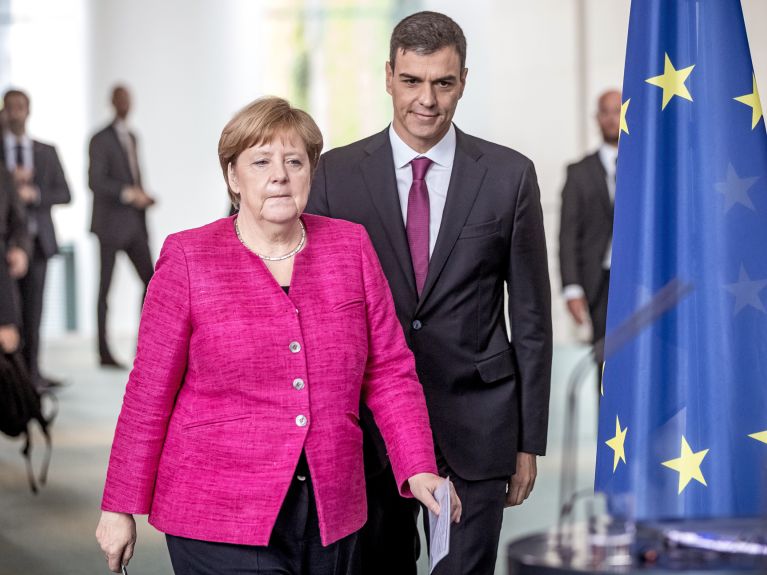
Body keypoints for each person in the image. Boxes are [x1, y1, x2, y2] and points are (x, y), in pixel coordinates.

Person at [95, 97, 460, 575]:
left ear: (311, 172)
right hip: (217, 511)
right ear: (232, 177)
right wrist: (119, 504)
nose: (279, 175)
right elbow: (148, 392)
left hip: (332, 506)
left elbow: (389, 370)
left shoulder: (349, 247)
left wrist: (417, 464)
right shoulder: (188, 257)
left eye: (294, 161)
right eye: (260, 161)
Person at [306, 11, 552, 575]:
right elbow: (313, 314)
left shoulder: (509, 176)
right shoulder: (334, 176)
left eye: (443, 83)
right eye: (413, 81)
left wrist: (528, 440)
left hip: (479, 424)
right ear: (389, 76)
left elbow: (532, 317)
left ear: (463, 80)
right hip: (372, 430)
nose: (427, 100)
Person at [1, 89, 71, 389]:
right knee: (8, 312)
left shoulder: (46, 151)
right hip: (5, 248)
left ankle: (32, 376)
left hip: (38, 243)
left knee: (33, 311)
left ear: (29, 111)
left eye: (21, 107)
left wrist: (35, 194)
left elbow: (65, 193)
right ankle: (12, 378)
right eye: (11, 107)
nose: (16, 112)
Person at [89, 85, 156, 369]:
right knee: (105, 289)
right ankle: (103, 352)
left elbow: (135, 175)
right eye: (122, 99)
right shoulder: (99, 139)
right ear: (113, 102)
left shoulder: (132, 136)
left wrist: (143, 196)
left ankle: (144, 345)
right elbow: (95, 181)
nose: (126, 104)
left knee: (152, 282)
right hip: (109, 225)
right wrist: (129, 193)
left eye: (130, 99)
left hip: (135, 225)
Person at [559, 89, 620, 381]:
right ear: (597, 118)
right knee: (606, 363)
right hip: (600, 284)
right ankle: (609, 428)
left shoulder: (650, 169)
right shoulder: (578, 172)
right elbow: (567, 234)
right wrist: (572, 287)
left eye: (619, 110)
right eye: (605, 111)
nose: (612, 117)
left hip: (643, 281)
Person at [0, 164, 29, 355]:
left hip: (2, 270)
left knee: (9, 341)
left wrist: (20, 248)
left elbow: (18, 220)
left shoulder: (2, 174)